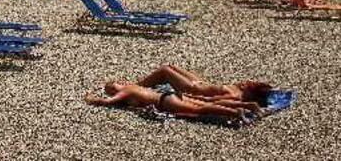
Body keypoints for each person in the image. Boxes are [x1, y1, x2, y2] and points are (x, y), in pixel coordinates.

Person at [85, 81, 258, 121]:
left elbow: (108, 102)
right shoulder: (133, 87)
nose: (113, 92)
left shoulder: (126, 90)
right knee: (205, 102)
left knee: (200, 109)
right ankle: (245, 106)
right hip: (168, 95)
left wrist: (92, 99)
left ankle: (235, 112)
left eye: (112, 90)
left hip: (165, 100)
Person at [135, 64, 273, 106]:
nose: (246, 82)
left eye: (249, 84)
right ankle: (137, 86)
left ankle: (135, 86)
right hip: (199, 82)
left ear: (251, 91)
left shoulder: (235, 95)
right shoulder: (238, 89)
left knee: (165, 71)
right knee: (171, 66)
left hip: (190, 89)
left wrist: (193, 99)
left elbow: (214, 101)